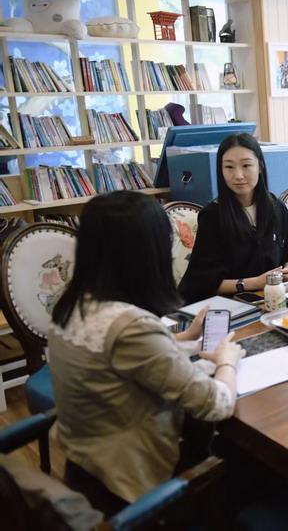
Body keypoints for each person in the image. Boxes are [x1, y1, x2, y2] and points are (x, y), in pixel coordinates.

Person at [48, 191, 245, 515]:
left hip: (86, 465)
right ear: (145, 253)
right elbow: (216, 404)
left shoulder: (73, 305)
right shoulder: (132, 326)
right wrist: (227, 362)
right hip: (135, 481)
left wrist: (184, 338)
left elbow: (117, 355)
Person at [179, 132, 288, 303]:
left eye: (246, 165)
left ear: (260, 167)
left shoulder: (276, 207)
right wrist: (254, 283)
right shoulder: (212, 215)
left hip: (273, 298)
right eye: (229, 167)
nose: (238, 175)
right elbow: (202, 283)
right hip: (230, 304)